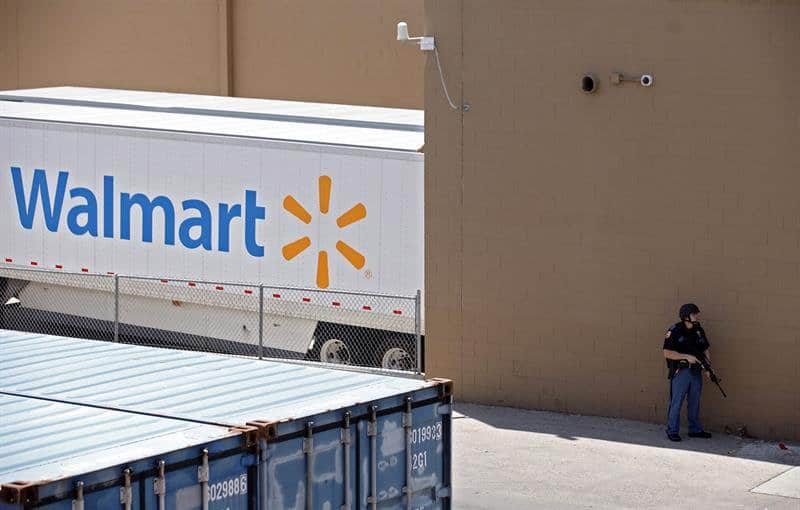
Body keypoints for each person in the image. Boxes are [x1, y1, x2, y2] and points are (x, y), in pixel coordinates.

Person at [662, 303, 713, 441]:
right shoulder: (675, 330)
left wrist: (708, 367)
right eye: (694, 314)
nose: (696, 316)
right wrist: (685, 357)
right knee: (676, 401)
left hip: (696, 371)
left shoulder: (698, 330)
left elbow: (705, 349)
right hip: (681, 372)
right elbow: (666, 352)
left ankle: (695, 429)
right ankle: (672, 430)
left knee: (694, 401)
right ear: (686, 317)